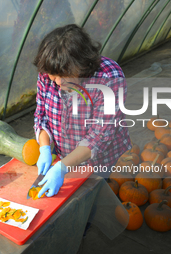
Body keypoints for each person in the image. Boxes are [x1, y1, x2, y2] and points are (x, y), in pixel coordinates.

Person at [33, 24, 132, 198]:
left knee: (97, 201)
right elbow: (41, 115)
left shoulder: (110, 79)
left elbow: (98, 138)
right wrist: (44, 148)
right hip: (63, 155)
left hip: (101, 162)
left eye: (64, 75)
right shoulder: (49, 71)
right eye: (52, 75)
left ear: (83, 65)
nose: (57, 82)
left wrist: (61, 168)